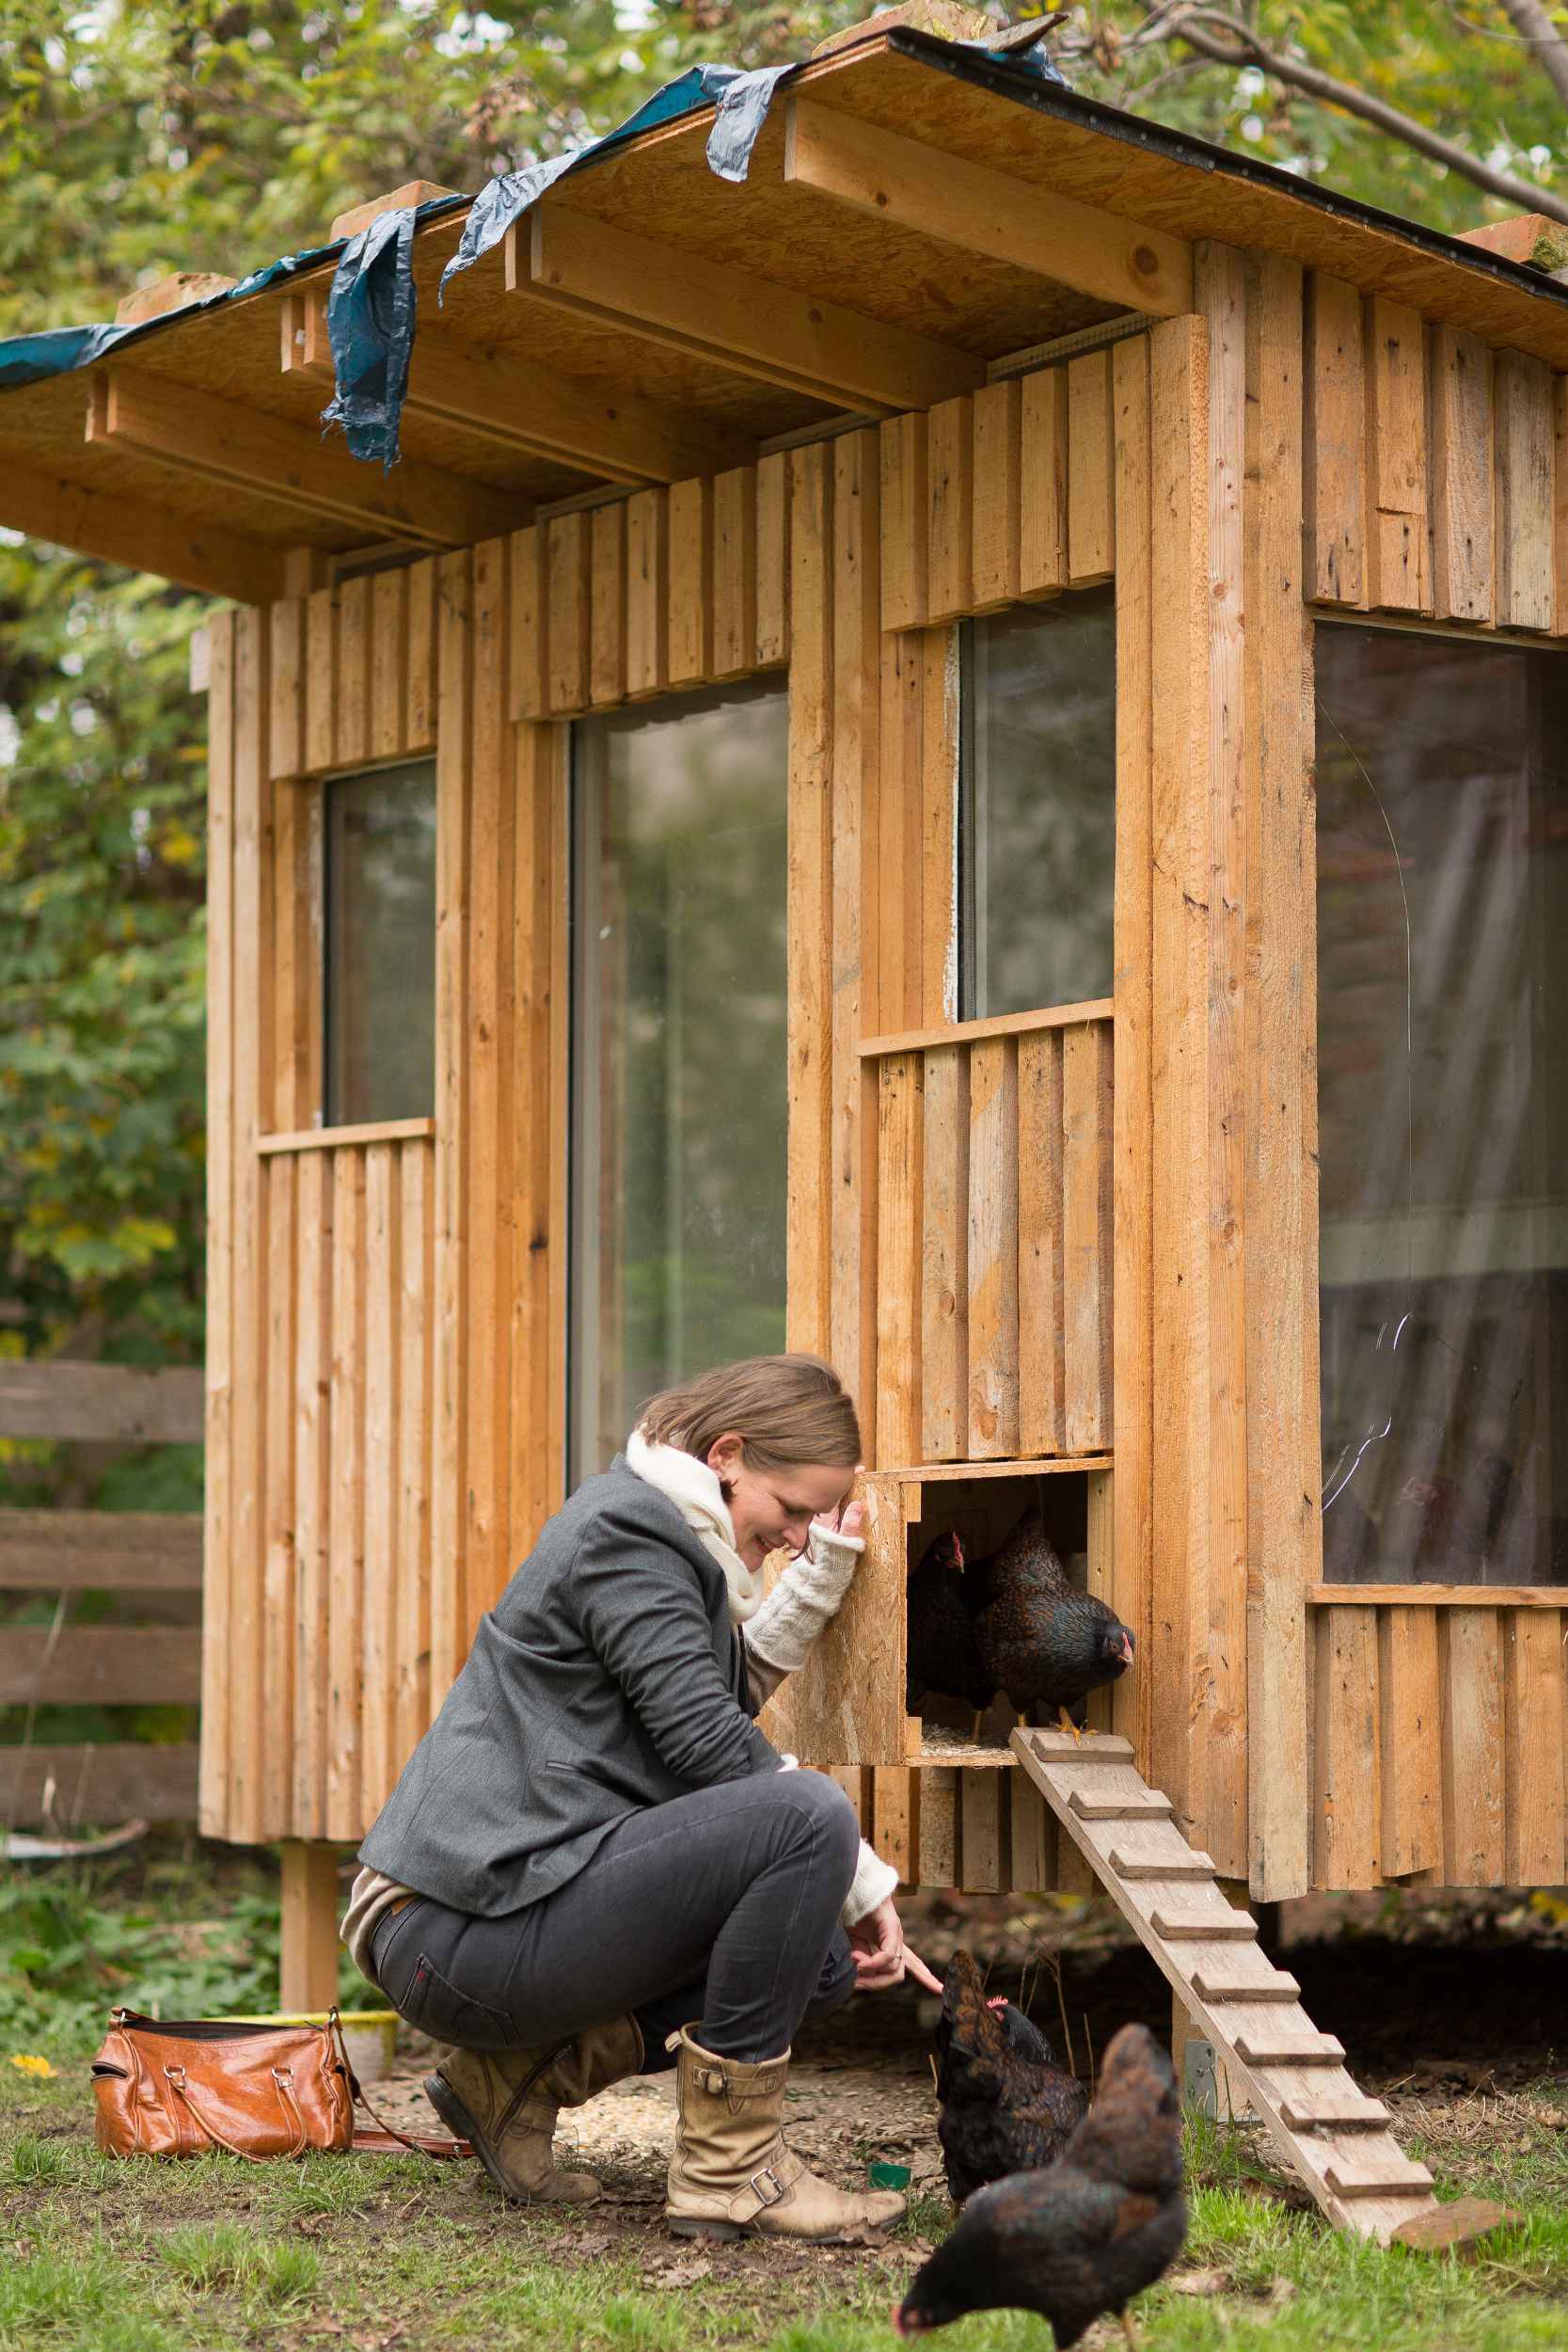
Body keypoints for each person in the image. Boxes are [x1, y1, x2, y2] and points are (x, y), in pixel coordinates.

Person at [341, 1353, 941, 2243]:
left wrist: (816, 1582)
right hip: (446, 1929)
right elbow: (706, 1738)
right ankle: (731, 2175)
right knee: (808, 1813)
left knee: (810, 1962)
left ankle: (510, 2086)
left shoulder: (669, 1539)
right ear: (728, 1454)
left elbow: (706, 1701)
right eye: (792, 1511)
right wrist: (860, 1879)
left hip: (516, 1905)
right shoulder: (627, 1534)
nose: (796, 1534)